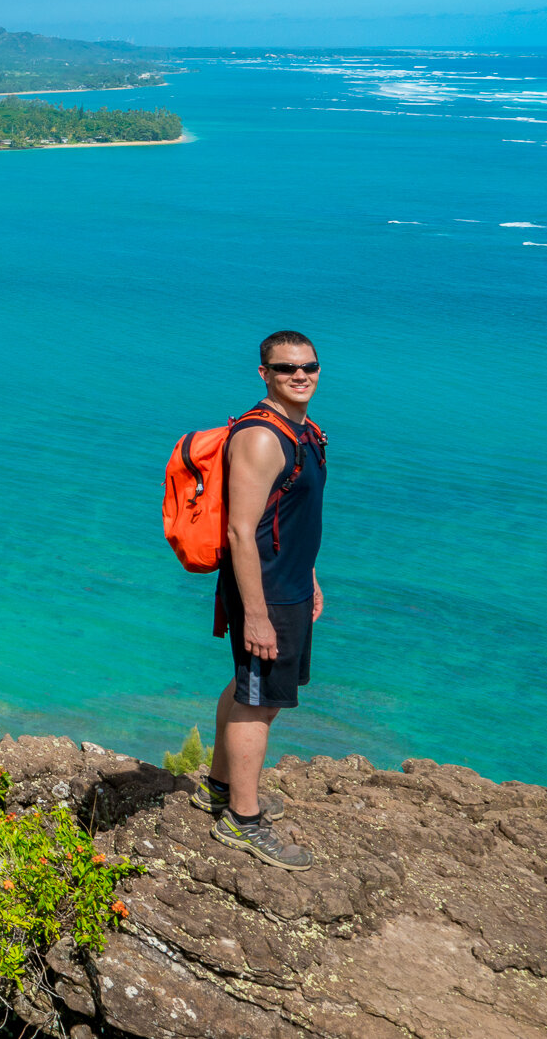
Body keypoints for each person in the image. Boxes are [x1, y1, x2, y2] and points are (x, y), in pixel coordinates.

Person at [202, 329, 327, 869]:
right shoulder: (260, 437)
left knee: (250, 686)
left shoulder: (305, 431)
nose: (300, 376)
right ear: (264, 374)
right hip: (266, 592)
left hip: (289, 583)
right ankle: (243, 820)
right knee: (262, 699)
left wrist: (312, 575)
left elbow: (292, 517)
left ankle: (218, 786)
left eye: (309, 367)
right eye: (285, 369)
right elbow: (239, 531)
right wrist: (255, 613)